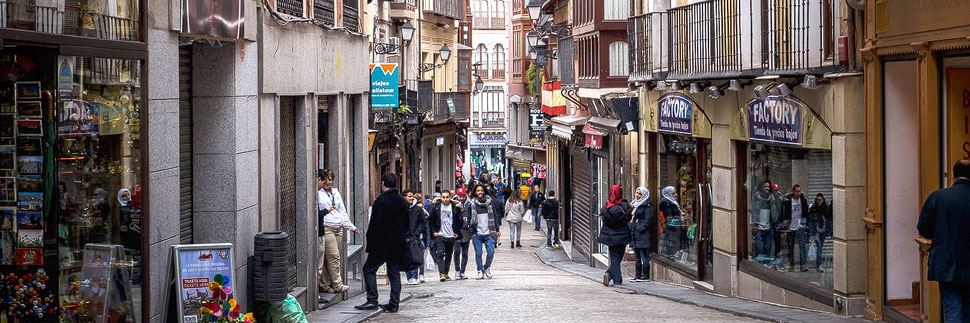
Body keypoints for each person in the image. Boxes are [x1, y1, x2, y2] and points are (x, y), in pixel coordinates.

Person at [918, 160, 970, 323]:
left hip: (946, 262)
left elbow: (923, 227)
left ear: (953, 175)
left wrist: (940, 236)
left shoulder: (938, 197)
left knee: (952, 309)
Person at [356, 173, 408, 313]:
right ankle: (394, 303)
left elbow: (375, 225)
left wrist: (371, 243)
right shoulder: (402, 201)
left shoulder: (381, 201)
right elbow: (407, 224)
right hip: (397, 244)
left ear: (383, 183)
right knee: (394, 274)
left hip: (382, 245)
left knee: (369, 269)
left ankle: (372, 300)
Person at [317, 170, 360, 294]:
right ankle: (338, 285)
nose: (328, 182)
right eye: (326, 180)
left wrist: (350, 226)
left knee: (329, 258)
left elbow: (342, 210)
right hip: (327, 228)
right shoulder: (319, 193)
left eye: (330, 180)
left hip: (339, 228)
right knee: (334, 256)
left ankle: (325, 285)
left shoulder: (335, 192)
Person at [598, 185, 631, 286]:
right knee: (618, 258)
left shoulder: (605, 208)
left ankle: (609, 274)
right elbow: (628, 219)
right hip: (622, 236)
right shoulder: (624, 207)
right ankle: (617, 280)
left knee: (614, 257)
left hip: (609, 236)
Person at [429, 190, 463, 281]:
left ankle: (446, 273)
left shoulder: (455, 207)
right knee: (440, 253)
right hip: (440, 234)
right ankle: (442, 274)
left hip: (451, 235)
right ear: (441, 197)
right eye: (443, 197)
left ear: (450, 197)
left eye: (447, 197)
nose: (445, 199)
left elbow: (460, 221)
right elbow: (431, 220)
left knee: (449, 255)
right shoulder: (436, 207)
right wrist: (433, 232)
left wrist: (457, 232)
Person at [468, 184, 501, 279]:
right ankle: (479, 270)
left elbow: (495, 216)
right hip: (477, 233)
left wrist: (497, 229)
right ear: (475, 192)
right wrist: (472, 232)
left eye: (481, 190)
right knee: (478, 253)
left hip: (489, 232)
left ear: (484, 191)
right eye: (478, 191)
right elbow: (470, 218)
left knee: (491, 252)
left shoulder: (490, 203)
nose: (480, 192)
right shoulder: (472, 204)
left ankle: (486, 267)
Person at [781, 184, 809, 272]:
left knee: (802, 246)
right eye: (797, 191)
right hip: (791, 226)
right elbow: (782, 208)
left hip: (800, 225)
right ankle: (791, 264)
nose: (798, 193)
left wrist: (804, 223)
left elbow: (805, 211)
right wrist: (786, 224)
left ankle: (803, 264)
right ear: (793, 191)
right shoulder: (788, 200)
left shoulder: (803, 200)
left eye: (799, 191)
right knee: (791, 246)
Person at [403, 189, 429, 285]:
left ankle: (414, 276)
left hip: (415, 237)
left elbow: (423, 223)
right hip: (404, 237)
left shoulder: (418, 209)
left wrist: (417, 232)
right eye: (409, 196)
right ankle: (409, 277)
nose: (411, 198)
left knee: (415, 257)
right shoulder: (400, 209)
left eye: (412, 196)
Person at [629, 187, 653, 282]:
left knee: (643, 255)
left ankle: (645, 275)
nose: (637, 195)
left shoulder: (647, 205)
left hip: (642, 234)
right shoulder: (634, 204)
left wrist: (635, 227)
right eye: (636, 193)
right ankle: (637, 275)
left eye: (640, 194)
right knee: (637, 256)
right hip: (635, 234)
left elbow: (647, 221)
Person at [750, 180, 776, 259]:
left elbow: (774, 211)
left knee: (767, 247)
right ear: (761, 187)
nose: (767, 188)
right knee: (759, 248)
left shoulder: (771, 197)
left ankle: (765, 265)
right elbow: (752, 210)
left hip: (768, 227)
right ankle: (759, 265)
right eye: (765, 186)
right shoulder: (756, 196)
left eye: (768, 187)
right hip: (758, 227)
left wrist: (774, 223)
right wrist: (753, 224)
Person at [453, 187, 473, 279]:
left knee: (465, 253)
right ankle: (457, 270)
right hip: (456, 231)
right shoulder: (453, 204)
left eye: (462, 196)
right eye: (459, 196)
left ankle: (462, 271)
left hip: (466, 232)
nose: (461, 198)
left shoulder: (470, 204)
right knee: (456, 252)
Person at [806, 193, 828, 272]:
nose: (818, 201)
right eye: (817, 200)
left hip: (823, 231)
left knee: (820, 248)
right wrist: (811, 233)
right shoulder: (813, 209)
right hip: (816, 232)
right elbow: (810, 221)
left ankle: (818, 263)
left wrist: (829, 232)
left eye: (820, 200)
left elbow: (827, 221)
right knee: (819, 247)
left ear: (823, 200)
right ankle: (819, 264)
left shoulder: (825, 208)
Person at [659, 186, 683, 257]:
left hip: (675, 227)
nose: (676, 195)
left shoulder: (672, 202)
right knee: (671, 244)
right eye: (673, 193)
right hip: (672, 228)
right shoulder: (666, 203)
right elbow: (668, 216)